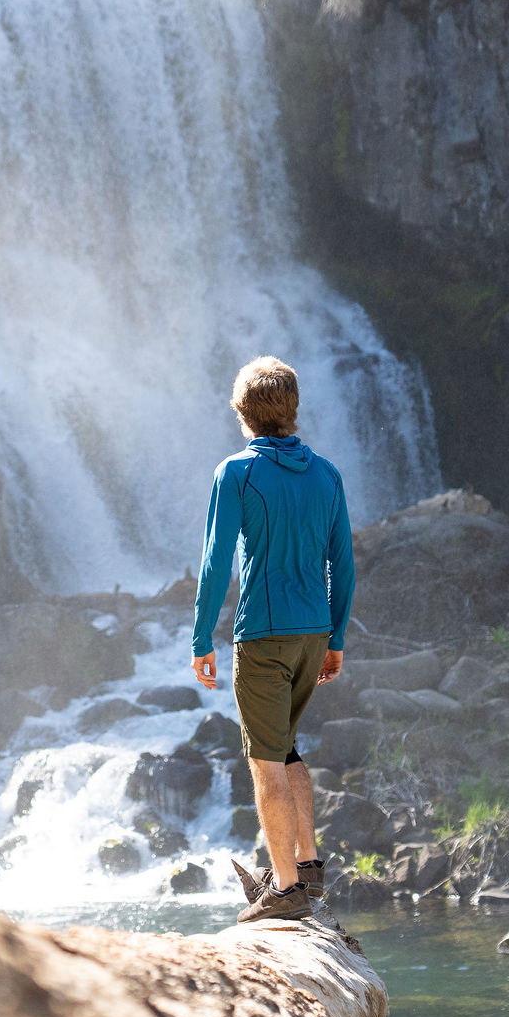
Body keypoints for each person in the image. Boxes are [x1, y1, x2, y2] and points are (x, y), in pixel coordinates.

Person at [191, 356, 354, 923]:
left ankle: (285, 891)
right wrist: (335, 636)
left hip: (262, 634)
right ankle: (308, 866)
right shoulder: (327, 474)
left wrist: (200, 638)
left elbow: (215, 565)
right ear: (293, 408)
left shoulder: (235, 473)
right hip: (313, 633)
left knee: (264, 763)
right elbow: (344, 564)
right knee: (286, 749)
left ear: (243, 413)